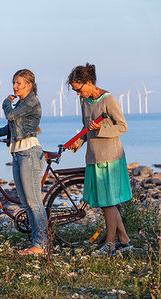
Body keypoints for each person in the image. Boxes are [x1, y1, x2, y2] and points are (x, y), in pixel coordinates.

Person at [67, 63, 133, 256]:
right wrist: (78, 143)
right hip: (93, 158)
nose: (78, 94)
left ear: (89, 83)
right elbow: (86, 129)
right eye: (75, 91)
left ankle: (110, 244)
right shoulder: (84, 101)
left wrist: (101, 130)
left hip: (111, 157)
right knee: (106, 203)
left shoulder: (108, 99)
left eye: (79, 89)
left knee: (108, 203)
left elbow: (123, 127)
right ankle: (125, 241)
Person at [0, 69, 47, 255]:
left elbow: (10, 116)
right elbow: (11, 126)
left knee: (34, 201)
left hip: (29, 153)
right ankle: (37, 240)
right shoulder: (21, 103)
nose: (14, 86)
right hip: (18, 154)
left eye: (18, 83)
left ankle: (41, 244)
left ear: (28, 85)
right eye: (13, 83)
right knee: (27, 203)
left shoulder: (31, 101)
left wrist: (5, 102)